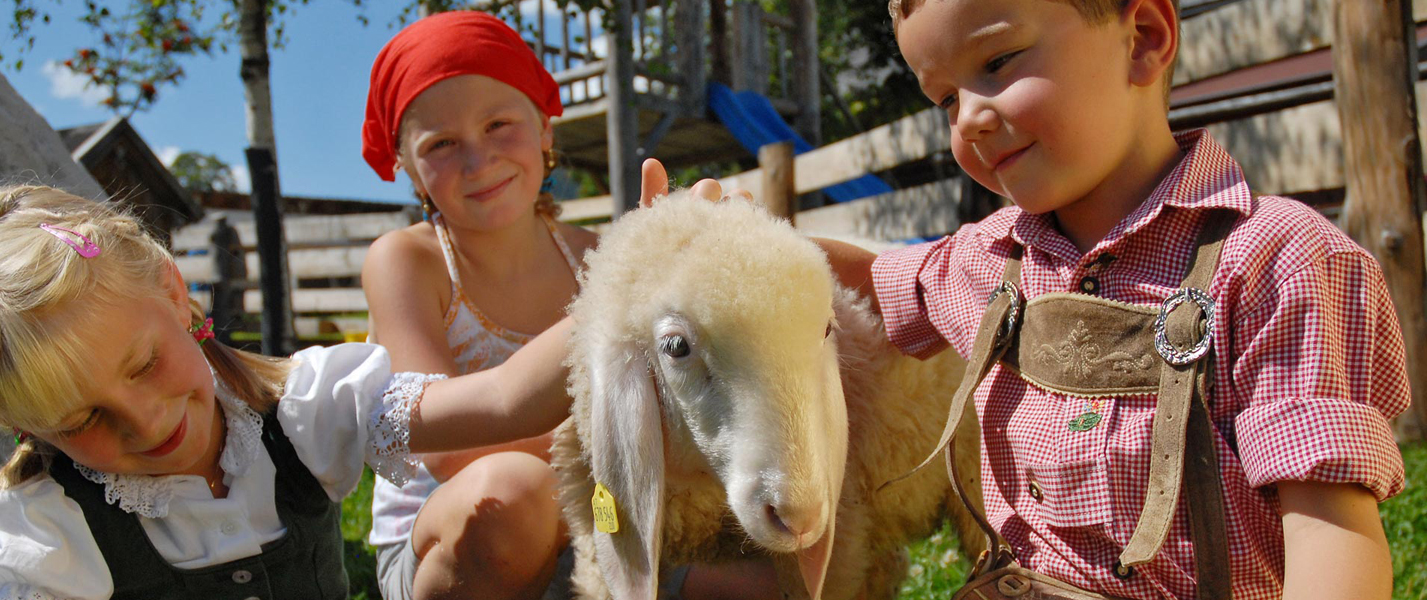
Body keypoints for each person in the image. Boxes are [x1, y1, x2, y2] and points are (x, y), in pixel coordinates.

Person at [803, 0, 1408, 598]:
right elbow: (873, 281)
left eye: (998, 61)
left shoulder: (1277, 263)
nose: (968, 120)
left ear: (1144, 37)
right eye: (946, 100)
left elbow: (1330, 530)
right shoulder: (990, 260)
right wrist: (742, 237)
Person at [0, 185, 573, 600]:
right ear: (27, 427)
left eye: (145, 364)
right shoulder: (54, 533)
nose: (146, 423)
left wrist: (649, 277)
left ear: (174, 292)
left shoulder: (298, 412)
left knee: (512, 488)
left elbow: (505, 399)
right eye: (80, 421)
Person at [359, 12, 778, 600]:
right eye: (442, 144)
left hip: (602, 519)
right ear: (406, 165)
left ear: (545, 129)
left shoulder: (595, 252)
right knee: (511, 492)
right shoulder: (406, 262)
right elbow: (447, 451)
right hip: (458, 539)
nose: (478, 161)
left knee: (763, 578)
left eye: (499, 124)